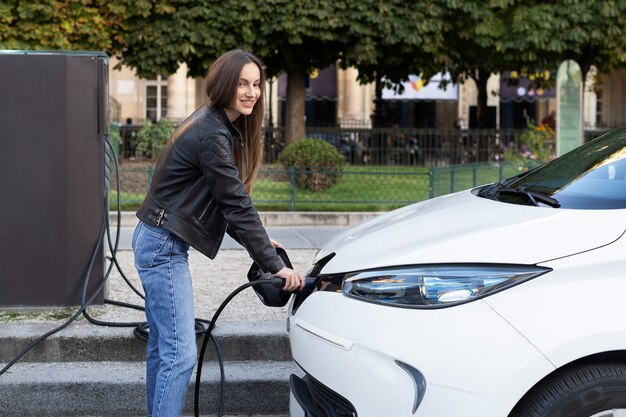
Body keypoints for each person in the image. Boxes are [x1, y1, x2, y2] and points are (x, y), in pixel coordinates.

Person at [132, 49, 305, 417]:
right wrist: (274, 265)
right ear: (225, 83)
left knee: (164, 348)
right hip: (162, 246)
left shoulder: (213, 124)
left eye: (256, 84)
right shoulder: (213, 133)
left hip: (155, 237)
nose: (251, 92)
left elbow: (221, 202)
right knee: (180, 354)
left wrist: (259, 245)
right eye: (242, 83)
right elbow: (235, 203)